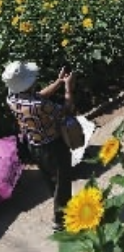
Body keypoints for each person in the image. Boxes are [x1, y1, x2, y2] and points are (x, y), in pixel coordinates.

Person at [1, 61, 76, 232]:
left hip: (34, 147)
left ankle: (61, 207)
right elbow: (66, 109)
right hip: (53, 147)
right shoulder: (40, 105)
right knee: (62, 182)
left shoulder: (12, 98)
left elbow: (38, 97)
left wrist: (58, 82)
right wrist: (68, 88)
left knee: (52, 180)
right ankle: (61, 220)